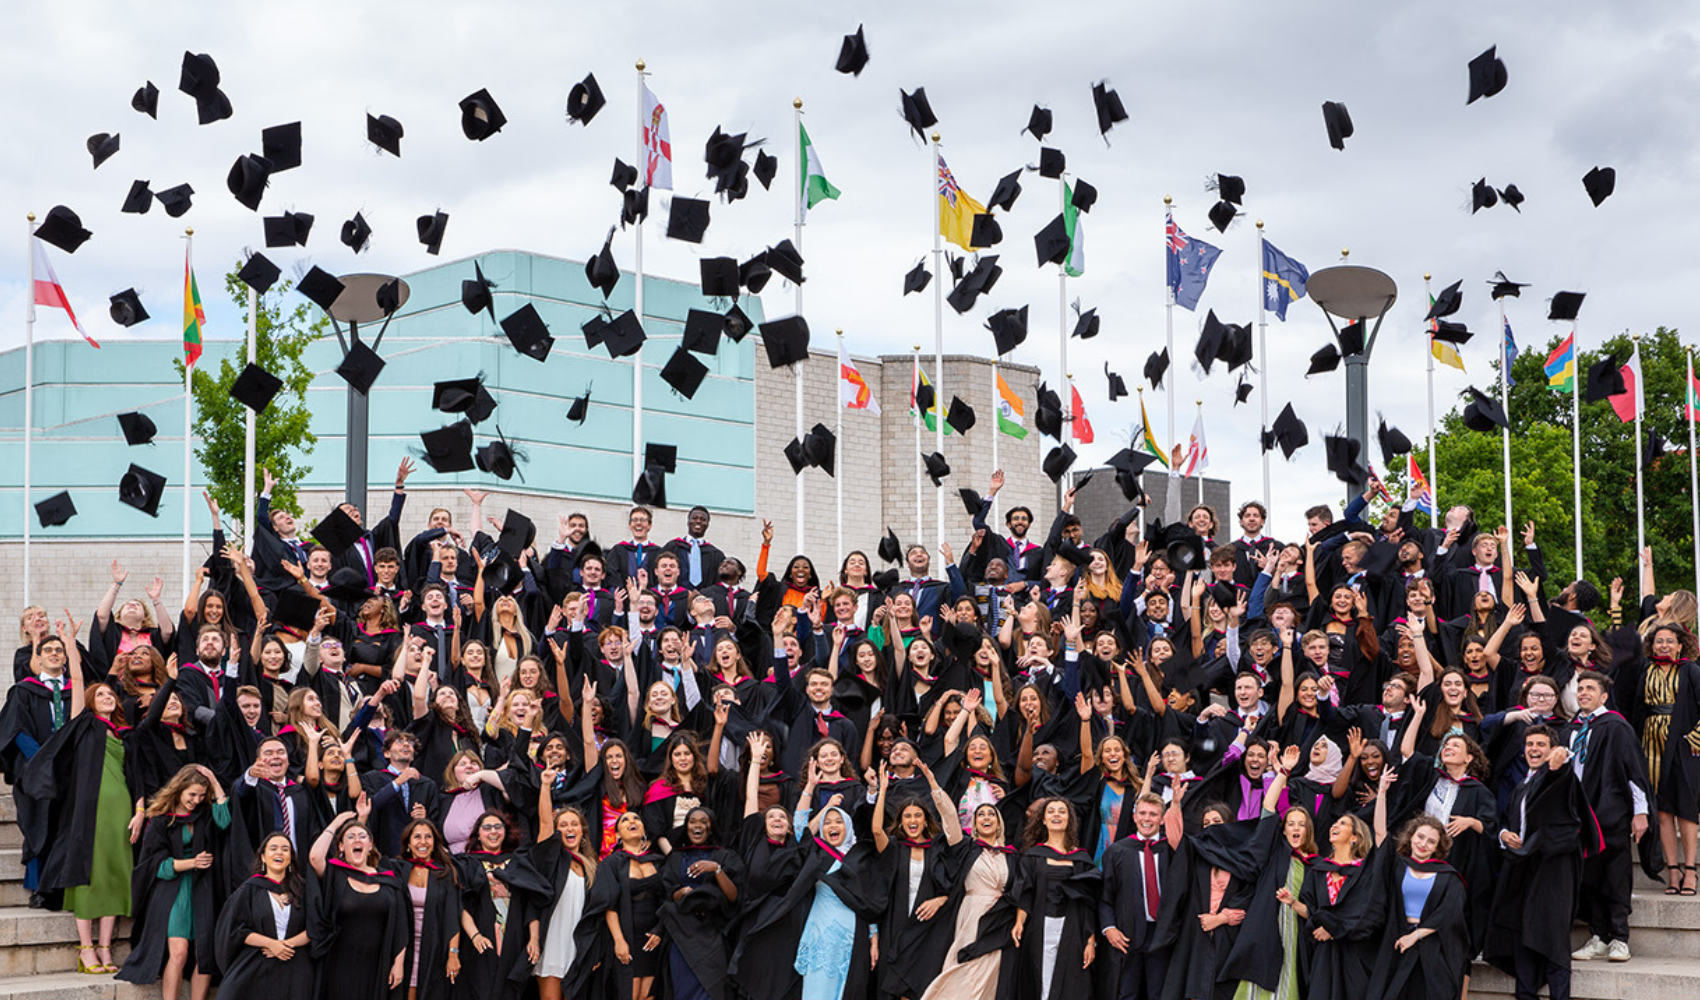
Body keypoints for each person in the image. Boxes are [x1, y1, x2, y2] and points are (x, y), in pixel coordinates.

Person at [21, 676, 135, 975]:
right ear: (90, 702)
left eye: (111, 694)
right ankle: (86, 948)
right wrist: (71, 645)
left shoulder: (123, 733)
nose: (108, 697)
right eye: (100, 695)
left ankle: (105, 946)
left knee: (115, 875)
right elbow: (79, 682)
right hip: (90, 812)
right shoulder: (85, 724)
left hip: (120, 811)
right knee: (89, 874)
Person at [1485, 726, 1589, 1000]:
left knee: (1553, 936)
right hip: (1523, 867)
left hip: (1554, 867)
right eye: (1529, 744)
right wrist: (1504, 834)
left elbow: (1561, 773)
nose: (1534, 749)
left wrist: (1561, 758)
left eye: (1541, 744)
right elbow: (1515, 821)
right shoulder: (1522, 784)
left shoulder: (1558, 777)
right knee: (1522, 933)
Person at [116, 764, 238, 998]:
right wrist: (192, 863)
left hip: (203, 890)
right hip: (173, 892)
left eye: (201, 796)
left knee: (205, 955)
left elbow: (225, 820)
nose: (196, 800)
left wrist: (212, 779)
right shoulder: (161, 820)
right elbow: (155, 866)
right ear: (179, 789)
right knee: (179, 953)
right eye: (191, 794)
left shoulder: (204, 815)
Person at [1567, 670, 1653, 961]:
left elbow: (1634, 772)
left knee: (1615, 876)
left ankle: (1619, 938)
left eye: (1590, 688)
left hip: (1610, 812)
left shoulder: (1616, 726)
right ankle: (1598, 935)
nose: (1583, 693)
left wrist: (1640, 812)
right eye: (1580, 689)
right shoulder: (1575, 727)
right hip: (1580, 814)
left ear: (1603, 696)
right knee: (1589, 878)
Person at [1367, 771, 1469, 1000]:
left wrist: (1417, 936)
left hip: (1431, 947)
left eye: (1431, 841)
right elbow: (1380, 833)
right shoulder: (1398, 865)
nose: (1424, 844)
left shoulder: (1448, 876)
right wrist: (1382, 793)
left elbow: (1449, 913)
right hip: (1396, 940)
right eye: (1420, 837)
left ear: (1437, 847)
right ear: (1411, 837)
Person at [919, 803, 1017, 1000]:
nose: (986, 818)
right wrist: (934, 785)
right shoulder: (966, 848)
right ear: (974, 823)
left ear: (999, 823)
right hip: (973, 912)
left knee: (991, 970)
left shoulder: (1012, 855)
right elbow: (949, 817)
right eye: (981, 815)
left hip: (1000, 918)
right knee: (966, 964)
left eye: (991, 814)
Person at [308, 811, 410, 1000]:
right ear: (341, 846)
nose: (357, 840)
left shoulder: (389, 879)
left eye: (363, 837)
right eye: (350, 837)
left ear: (369, 846)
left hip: (378, 962)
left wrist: (398, 963)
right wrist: (336, 823)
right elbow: (315, 857)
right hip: (340, 963)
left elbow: (401, 925)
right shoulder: (335, 875)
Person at [1011, 797, 1101, 1000]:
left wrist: (1090, 941)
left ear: (1070, 819)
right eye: (1051, 811)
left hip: (1073, 927)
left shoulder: (1082, 859)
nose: (1056, 815)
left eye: (1062, 811)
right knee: (1040, 977)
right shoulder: (1033, 856)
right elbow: (1026, 892)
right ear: (1043, 819)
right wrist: (1019, 922)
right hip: (1040, 926)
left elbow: (1087, 902)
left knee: (1071, 980)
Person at [1096, 793, 1180, 1000]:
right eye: (1142, 813)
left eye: (1153, 814)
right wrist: (1109, 928)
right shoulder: (1117, 851)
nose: (1147, 818)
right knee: (1126, 992)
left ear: (1162, 819)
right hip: (1126, 933)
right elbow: (1105, 894)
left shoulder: (1173, 851)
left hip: (1164, 935)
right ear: (1134, 817)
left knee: (1160, 993)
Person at [214, 833, 316, 1000]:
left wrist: (285, 945)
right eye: (273, 848)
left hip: (295, 964)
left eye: (285, 849)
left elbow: (314, 927)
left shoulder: (303, 890)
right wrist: (271, 944)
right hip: (258, 962)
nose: (279, 853)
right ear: (263, 857)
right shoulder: (249, 890)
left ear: (290, 858)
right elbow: (235, 929)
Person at [657, 807, 743, 1000]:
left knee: (712, 989)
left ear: (711, 827)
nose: (698, 825)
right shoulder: (676, 857)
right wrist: (681, 893)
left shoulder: (725, 856)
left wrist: (717, 870)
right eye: (692, 821)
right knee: (683, 988)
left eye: (703, 821)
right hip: (681, 933)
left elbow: (734, 896)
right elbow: (666, 893)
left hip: (713, 933)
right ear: (686, 826)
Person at [529, 798, 595, 1000]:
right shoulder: (551, 861)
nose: (570, 829)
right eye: (563, 825)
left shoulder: (592, 866)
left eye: (574, 824)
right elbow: (545, 823)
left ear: (582, 830)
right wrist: (546, 786)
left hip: (579, 946)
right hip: (553, 943)